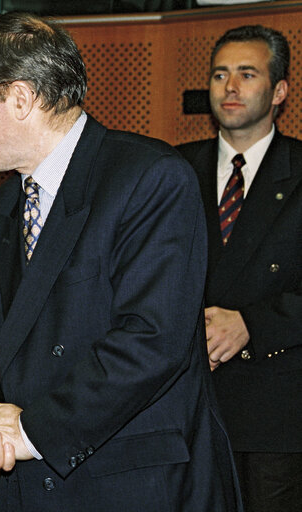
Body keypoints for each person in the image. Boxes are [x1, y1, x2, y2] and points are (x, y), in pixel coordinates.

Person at [0, 12, 242, 511]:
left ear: (19, 97)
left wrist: (28, 431)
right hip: (33, 485)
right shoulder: (4, 209)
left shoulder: (150, 178)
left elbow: (150, 342)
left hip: (135, 488)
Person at [176, 25, 302, 512]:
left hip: (276, 415)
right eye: (219, 75)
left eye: (247, 74)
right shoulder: (174, 169)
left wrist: (252, 323)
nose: (230, 87)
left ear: (280, 91)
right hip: (190, 406)